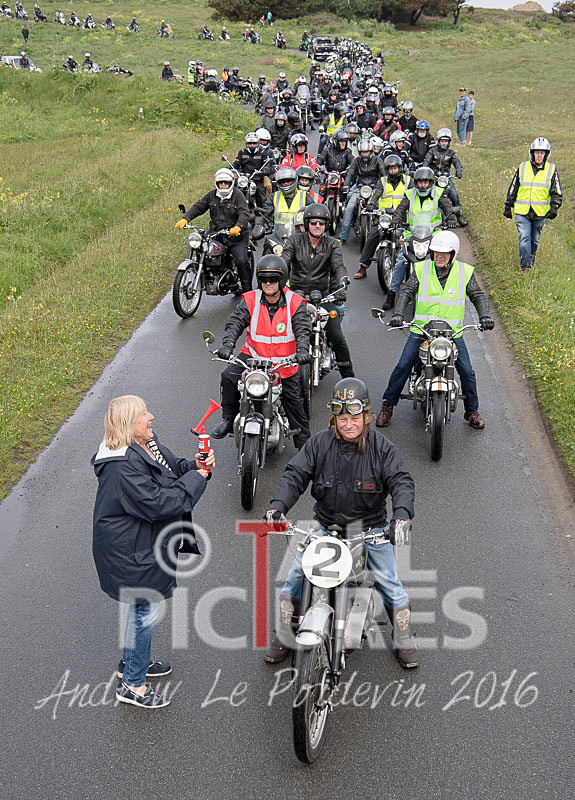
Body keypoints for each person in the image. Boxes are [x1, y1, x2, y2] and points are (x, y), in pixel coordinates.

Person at [263, 378, 418, 669]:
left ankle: (403, 636)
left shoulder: (382, 448)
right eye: (342, 418)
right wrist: (277, 506)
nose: (348, 424)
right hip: (326, 529)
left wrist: (401, 516)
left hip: (370, 532)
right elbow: (295, 474)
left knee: (390, 584)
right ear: (335, 417)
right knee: (295, 579)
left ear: (367, 416)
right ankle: (285, 632)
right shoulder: (319, 443)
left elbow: (401, 481)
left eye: (355, 418)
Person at [92, 395, 214, 709]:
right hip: (129, 552)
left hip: (142, 544)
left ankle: (132, 663)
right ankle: (132, 685)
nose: (152, 417)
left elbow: (170, 468)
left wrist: (196, 466)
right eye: (144, 414)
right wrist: (198, 479)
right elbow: (161, 503)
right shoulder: (121, 467)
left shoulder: (146, 443)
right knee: (144, 611)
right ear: (128, 425)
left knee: (141, 610)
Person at [376, 231, 494, 430]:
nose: (439, 256)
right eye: (436, 252)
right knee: (403, 365)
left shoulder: (464, 271)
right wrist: (398, 313)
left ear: (453, 254)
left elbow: (477, 295)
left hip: (452, 332)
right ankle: (388, 405)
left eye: (444, 253)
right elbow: (407, 291)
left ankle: (472, 411)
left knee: (467, 371)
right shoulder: (421, 269)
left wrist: (485, 316)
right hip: (422, 330)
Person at [210, 255, 311, 448]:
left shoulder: (295, 302)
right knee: (228, 377)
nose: (268, 283)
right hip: (253, 358)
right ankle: (228, 419)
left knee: (295, 404)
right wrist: (227, 345)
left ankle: (305, 448)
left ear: (282, 280)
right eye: (264, 279)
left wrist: (303, 350)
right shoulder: (250, 299)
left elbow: (303, 330)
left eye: (273, 279)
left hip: (285, 363)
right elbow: (235, 323)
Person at [282, 203, 353, 376]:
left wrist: (343, 281)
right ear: (307, 224)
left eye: (321, 223)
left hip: (322, 296)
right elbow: (284, 261)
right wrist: (277, 276)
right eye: (314, 222)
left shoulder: (332, 244)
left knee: (336, 335)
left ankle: (348, 378)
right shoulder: (294, 240)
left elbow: (338, 267)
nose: (317, 226)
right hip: (295, 296)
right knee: (280, 330)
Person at [382, 166, 457, 309]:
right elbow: (401, 208)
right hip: (412, 234)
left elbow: (448, 208)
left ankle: (446, 294)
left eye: (426, 182)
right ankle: (391, 294)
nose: (423, 185)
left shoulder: (439, 193)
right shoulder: (409, 194)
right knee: (401, 261)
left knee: (443, 261)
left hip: (434, 235)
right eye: (420, 182)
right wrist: (396, 219)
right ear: (416, 183)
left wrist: (452, 219)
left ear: (431, 182)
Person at [176, 168, 253, 293]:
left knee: (242, 262)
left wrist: (238, 226)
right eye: (221, 182)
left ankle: (248, 295)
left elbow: (244, 213)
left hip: (236, 236)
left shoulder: (238, 195)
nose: (223, 185)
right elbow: (199, 206)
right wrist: (186, 218)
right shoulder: (212, 195)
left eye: (226, 182)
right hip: (216, 233)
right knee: (202, 249)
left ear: (231, 183)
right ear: (217, 183)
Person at [504, 137, 562, 273]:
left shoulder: (551, 170)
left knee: (535, 240)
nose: (539, 155)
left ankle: (531, 257)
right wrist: (508, 205)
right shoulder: (523, 167)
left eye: (542, 153)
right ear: (532, 153)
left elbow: (557, 191)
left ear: (546, 154)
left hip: (540, 212)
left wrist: (555, 206)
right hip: (522, 211)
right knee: (524, 237)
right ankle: (525, 266)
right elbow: (514, 187)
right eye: (537, 152)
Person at [355, 154, 412, 280]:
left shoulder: (408, 181)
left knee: (413, 240)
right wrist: (370, 204)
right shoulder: (382, 181)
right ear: (387, 170)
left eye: (395, 168)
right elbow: (376, 194)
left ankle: (415, 271)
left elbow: (414, 196)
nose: (393, 171)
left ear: (400, 168)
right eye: (391, 169)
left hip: (403, 217)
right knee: (372, 238)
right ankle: (363, 267)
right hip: (384, 217)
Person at [339, 139, 385, 245]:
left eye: (367, 152)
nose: (365, 154)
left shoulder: (378, 161)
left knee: (379, 207)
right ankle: (343, 236)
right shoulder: (356, 161)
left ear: (371, 151)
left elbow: (383, 175)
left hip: (374, 188)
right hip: (360, 187)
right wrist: (346, 185)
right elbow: (350, 173)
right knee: (349, 207)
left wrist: (383, 186)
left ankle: (382, 234)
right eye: (363, 152)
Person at [423, 127, 467, 226]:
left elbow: (457, 163)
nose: (444, 143)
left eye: (446, 141)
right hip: (434, 178)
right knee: (426, 194)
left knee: (454, 196)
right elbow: (426, 161)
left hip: (446, 179)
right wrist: (425, 170)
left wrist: (459, 171)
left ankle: (459, 216)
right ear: (438, 141)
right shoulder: (432, 151)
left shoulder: (451, 153)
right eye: (442, 141)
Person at [233, 132, 273, 207]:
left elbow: (267, 163)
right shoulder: (242, 152)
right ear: (246, 144)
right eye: (250, 143)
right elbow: (236, 163)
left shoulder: (262, 153)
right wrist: (229, 168)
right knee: (232, 185)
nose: (252, 145)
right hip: (244, 178)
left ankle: (268, 206)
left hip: (258, 177)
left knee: (267, 187)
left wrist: (266, 169)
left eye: (254, 143)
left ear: (257, 143)